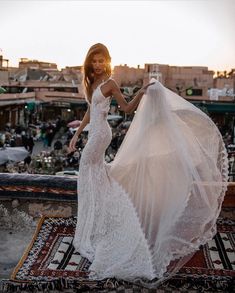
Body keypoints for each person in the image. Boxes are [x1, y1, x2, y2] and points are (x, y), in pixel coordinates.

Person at [69, 43, 228, 287]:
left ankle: (106, 217)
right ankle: (97, 219)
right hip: (94, 133)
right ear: (90, 63)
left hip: (102, 136)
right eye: (95, 61)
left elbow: (126, 108)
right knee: (93, 175)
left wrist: (142, 92)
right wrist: (76, 134)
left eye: (102, 61)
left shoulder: (110, 83)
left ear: (107, 61)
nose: (98, 64)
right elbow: (90, 111)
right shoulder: (91, 83)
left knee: (89, 172)